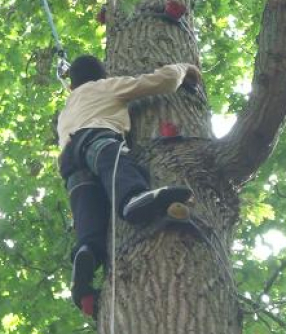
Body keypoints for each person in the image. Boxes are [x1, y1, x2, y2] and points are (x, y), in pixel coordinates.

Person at [58, 55, 201, 317]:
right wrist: (184, 69)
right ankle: (132, 199)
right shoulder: (105, 86)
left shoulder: (68, 106)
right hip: (96, 138)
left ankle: (86, 265)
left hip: (70, 161)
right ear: (100, 75)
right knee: (117, 167)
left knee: (89, 222)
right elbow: (163, 82)